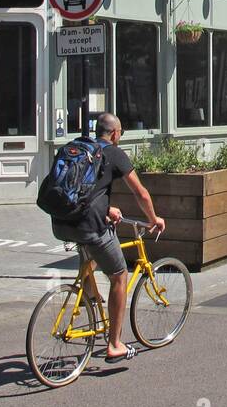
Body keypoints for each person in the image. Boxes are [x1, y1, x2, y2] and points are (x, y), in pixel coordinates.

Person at [50, 112, 166, 363]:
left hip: (61, 223)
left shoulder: (78, 147)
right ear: (114, 133)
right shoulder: (113, 153)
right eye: (120, 133)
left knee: (90, 250)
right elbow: (141, 193)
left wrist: (106, 209)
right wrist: (154, 219)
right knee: (119, 275)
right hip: (88, 226)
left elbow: (84, 190)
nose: (120, 137)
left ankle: (89, 294)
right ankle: (114, 344)